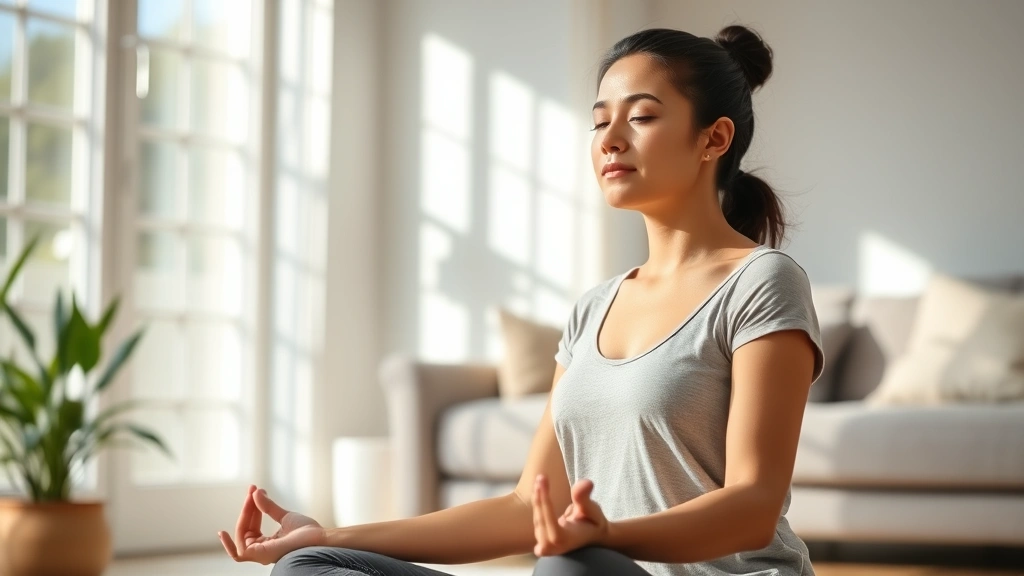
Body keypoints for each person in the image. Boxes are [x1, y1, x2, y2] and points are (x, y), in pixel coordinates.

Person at [218, 24, 824, 576]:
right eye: (599, 121)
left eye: (640, 118)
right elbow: (524, 507)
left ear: (713, 139)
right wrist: (328, 533)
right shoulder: (595, 308)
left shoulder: (761, 282)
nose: (609, 140)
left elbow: (752, 505)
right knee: (313, 567)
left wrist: (608, 535)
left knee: (570, 567)